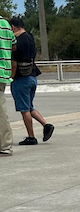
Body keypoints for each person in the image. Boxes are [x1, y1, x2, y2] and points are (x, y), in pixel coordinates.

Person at [9, 17, 54, 145]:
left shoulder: (16, 42)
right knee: (28, 106)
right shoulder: (29, 36)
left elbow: (14, 63)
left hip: (21, 79)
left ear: (13, 27)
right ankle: (46, 125)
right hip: (32, 76)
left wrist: (11, 78)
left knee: (24, 109)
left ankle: (31, 137)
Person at [0, 11, 13, 156]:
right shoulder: (5, 23)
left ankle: (5, 146)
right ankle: (5, 145)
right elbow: (13, 45)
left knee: (0, 113)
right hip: (3, 72)